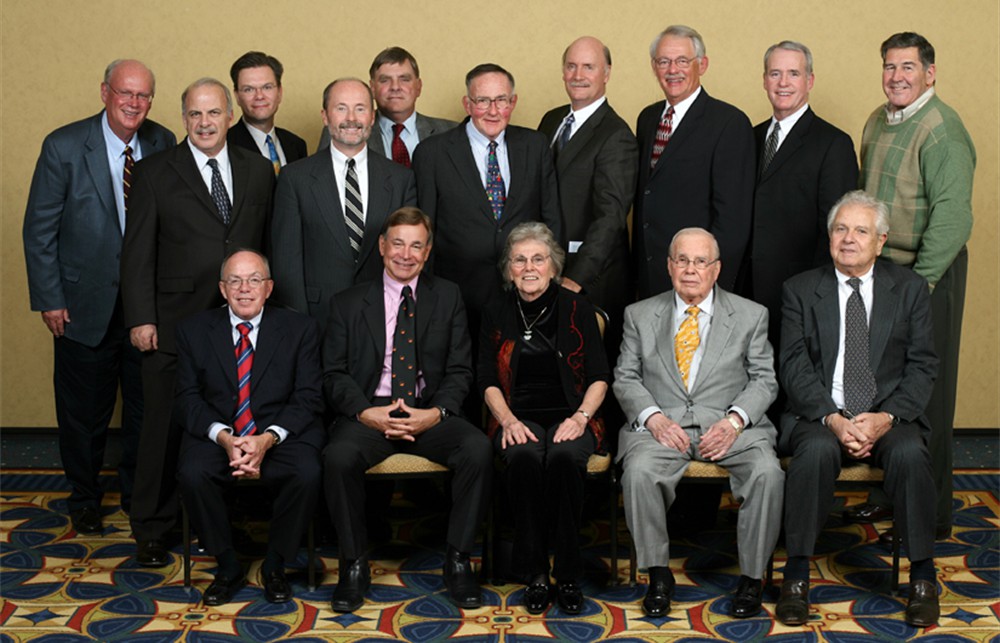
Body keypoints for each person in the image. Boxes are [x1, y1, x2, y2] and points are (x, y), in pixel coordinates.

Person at [121, 78, 274, 568]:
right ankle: (152, 528)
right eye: (194, 115)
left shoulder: (259, 170)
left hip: (240, 321)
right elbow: (137, 252)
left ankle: (218, 525)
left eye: (213, 113)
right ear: (183, 118)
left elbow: (264, 244)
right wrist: (141, 317)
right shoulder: (154, 172)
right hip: (172, 324)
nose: (205, 123)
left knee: (231, 422)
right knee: (163, 429)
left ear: (230, 115)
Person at [22, 59, 176, 534]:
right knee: (83, 412)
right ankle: (85, 497)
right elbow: (39, 230)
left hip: (144, 305)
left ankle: (137, 494)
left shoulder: (163, 141)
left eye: (144, 96)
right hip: (81, 302)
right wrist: (50, 298)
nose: (134, 104)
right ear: (105, 92)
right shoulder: (64, 146)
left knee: (144, 409)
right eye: (126, 93)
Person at [776, 190, 940, 628]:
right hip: (819, 414)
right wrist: (833, 418)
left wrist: (885, 418)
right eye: (840, 229)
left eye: (861, 230)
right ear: (829, 236)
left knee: (909, 454)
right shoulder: (800, 289)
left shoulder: (908, 289)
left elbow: (924, 365)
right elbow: (792, 365)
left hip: (890, 415)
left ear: (881, 240)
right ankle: (796, 574)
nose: (849, 239)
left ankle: (923, 575)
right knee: (813, 454)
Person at [322, 207, 491, 612]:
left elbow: (459, 369)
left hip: (428, 413)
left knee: (478, 450)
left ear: (428, 252)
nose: (406, 254)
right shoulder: (347, 302)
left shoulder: (448, 296)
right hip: (371, 411)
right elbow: (333, 373)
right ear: (381, 247)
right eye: (397, 243)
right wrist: (366, 413)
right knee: (337, 457)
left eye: (416, 245)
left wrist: (436, 413)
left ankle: (458, 560)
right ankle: (354, 564)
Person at [614, 228, 782, 619]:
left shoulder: (751, 315)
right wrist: (653, 418)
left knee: (767, 473)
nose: (691, 269)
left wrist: (735, 421)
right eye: (682, 260)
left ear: (716, 268)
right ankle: (658, 575)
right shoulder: (639, 315)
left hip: (728, 426)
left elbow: (764, 379)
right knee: (637, 472)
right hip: (662, 426)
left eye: (700, 261)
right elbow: (625, 377)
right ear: (670, 266)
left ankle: (752, 579)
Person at [852, 31, 975, 540]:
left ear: (930, 72)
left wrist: (919, 287)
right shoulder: (878, 120)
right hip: (884, 274)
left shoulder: (943, 130)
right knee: (886, 389)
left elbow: (952, 218)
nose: (897, 76)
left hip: (929, 275)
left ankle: (933, 515)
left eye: (908, 67)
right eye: (889, 66)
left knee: (928, 397)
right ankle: (889, 496)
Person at [174, 250, 323, 606]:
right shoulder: (193, 331)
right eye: (235, 281)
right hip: (220, 434)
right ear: (222, 289)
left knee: (308, 471)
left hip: (277, 434)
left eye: (254, 280)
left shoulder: (300, 329)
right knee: (193, 473)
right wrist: (226, 439)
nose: (245, 289)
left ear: (268, 288)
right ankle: (227, 566)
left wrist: (266, 440)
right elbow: (187, 399)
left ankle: (275, 565)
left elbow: (308, 397)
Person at [479, 222, 609, 615]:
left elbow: (601, 375)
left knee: (567, 457)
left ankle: (567, 574)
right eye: (520, 260)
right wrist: (507, 420)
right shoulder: (496, 310)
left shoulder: (578, 308)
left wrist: (582, 417)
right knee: (522, 456)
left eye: (538, 259)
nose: (529, 267)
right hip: (516, 414)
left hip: (574, 413)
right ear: (508, 268)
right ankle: (534, 572)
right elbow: (486, 378)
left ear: (554, 266)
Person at [412, 63, 561, 341]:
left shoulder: (535, 145)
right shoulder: (432, 153)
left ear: (512, 102)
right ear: (467, 104)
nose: (493, 111)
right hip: (458, 293)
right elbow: (425, 228)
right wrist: (426, 293)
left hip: (525, 290)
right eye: (483, 101)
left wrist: (553, 281)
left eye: (501, 100)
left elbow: (551, 217)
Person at [740, 40, 858, 361]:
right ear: (764, 80)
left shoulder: (833, 143)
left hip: (799, 292)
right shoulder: (749, 137)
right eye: (775, 73)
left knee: (792, 387)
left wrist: (815, 296)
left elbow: (836, 228)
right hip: (745, 291)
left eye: (794, 73)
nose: (783, 83)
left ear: (810, 81)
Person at [271, 78, 416, 325]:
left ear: (372, 116)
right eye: (341, 108)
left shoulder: (401, 178)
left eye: (360, 108)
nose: (351, 118)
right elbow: (287, 262)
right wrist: (299, 324)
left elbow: (411, 253)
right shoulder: (295, 178)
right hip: (318, 316)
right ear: (325, 116)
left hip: (386, 317)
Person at [633, 25, 754, 298]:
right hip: (650, 276)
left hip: (698, 281)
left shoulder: (729, 123)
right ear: (654, 67)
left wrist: (709, 281)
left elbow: (732, 219)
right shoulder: (648, 119)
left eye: (682, 61)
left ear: (703, 64)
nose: (672, 70)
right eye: (664, 62)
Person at [537, 36, 637, 366]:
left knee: (588, 372)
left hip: (592, 280)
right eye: (571, 66)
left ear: (606, 73)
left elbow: (610, 218)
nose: (578, 74)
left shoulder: (616, 135)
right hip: (547, 270)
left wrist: (574, 280)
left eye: (589, 67)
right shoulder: (551, 121)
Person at [317, 46, 457, 162]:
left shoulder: (451, 132)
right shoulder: (346, 129)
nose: (395, 87)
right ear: (372, 88)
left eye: (404, 79)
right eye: (385, 80)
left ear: (418, 87)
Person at [227, 51, 307, 173]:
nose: (259, 96)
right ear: (237, 96)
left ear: (280, 92)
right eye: (248, 89)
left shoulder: (296, 145)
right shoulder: (225, 145)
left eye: (267, 87)